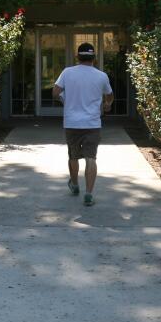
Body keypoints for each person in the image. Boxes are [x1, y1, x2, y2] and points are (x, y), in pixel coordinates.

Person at [53, 42, 113, 206]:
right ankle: (89, 194)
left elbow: (55, 92)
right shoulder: (101, 76)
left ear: (77, 56)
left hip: (72, 122)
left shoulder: (67, 72)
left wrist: (65, 99)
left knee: (73, 156)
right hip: (92, 123)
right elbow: (109, 95)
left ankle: (74, 185)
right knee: (91, 158)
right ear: (94, 57)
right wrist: (108, 104)